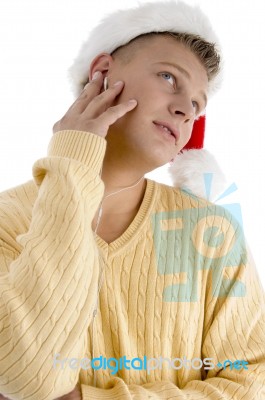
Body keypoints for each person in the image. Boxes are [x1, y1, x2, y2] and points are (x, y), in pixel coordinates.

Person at [0, 1, 264, 399]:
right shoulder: (6, 221)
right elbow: (27, 376)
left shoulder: (212, 232)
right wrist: (72, 161)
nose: (183, 110)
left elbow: (253, 379)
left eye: (196, 105)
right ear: (103, 73)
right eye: (169, 78)